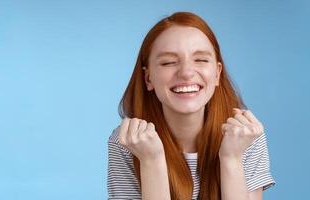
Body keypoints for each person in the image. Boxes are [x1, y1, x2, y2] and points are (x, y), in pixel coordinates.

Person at [107, 12, 275, 200]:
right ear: (148, 78)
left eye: (201, 60)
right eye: (169, 62)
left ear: (217, 73)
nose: (186, 73)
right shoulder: (127, 142)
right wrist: (151, 161)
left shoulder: (246, 136)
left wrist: (231, 158)